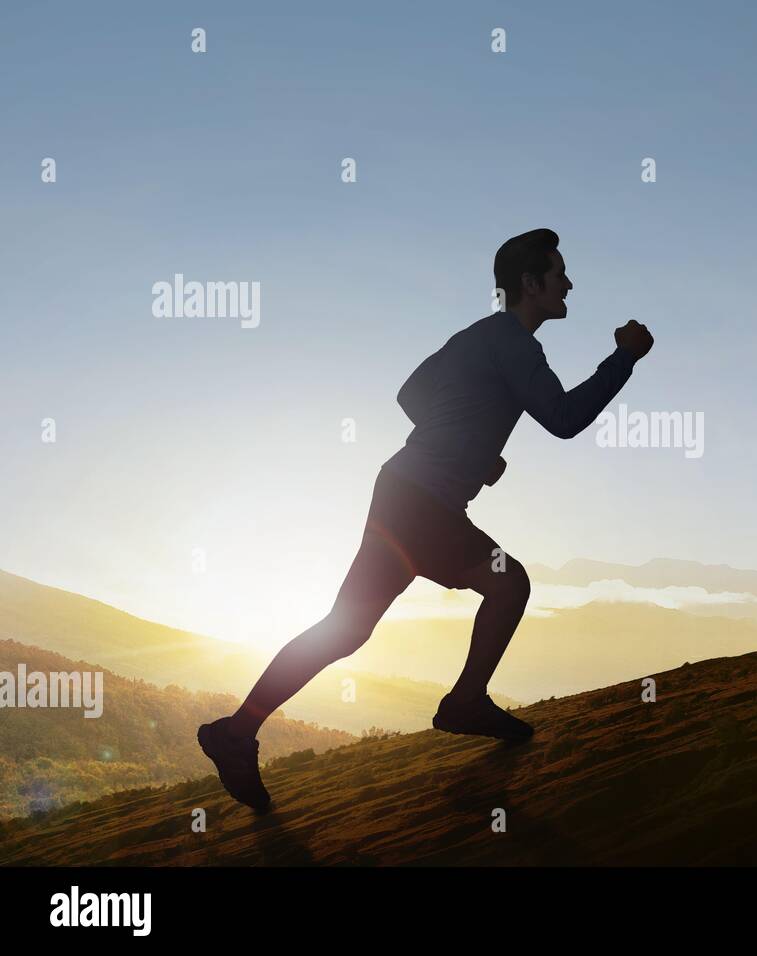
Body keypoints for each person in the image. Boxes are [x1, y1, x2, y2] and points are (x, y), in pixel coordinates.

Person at [198, 228, 654, 812]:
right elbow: (564, 418)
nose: (568, 282)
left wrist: (467, 445)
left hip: (400, 492)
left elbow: (410, 394)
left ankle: (234, 734)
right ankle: (465, 701)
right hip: (424, 503)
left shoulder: (476, 337)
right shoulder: (516, 342)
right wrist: (624, 358)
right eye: (559, 272)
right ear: (530, 284)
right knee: (508, 581)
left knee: (346, 628)